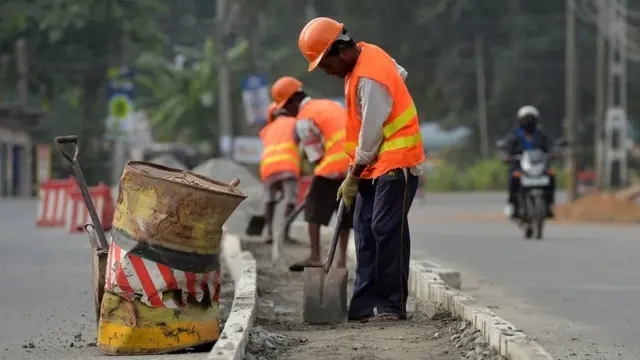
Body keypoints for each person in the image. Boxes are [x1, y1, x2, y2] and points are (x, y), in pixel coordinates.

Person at [298, 17, 425, 322]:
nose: (326, 72)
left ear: (339, 51)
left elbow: (370, 132)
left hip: (396, 160)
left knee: (384, 228)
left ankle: (391, 306)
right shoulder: (366, 59)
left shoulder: (369, 77)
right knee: (365, 232)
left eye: (325, 64)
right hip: (373, 163)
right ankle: (363, 306)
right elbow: (401, 74)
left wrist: (352, 175)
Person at [270, 75, 353, 272]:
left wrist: (312, 188)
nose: (288, 113)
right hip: (354, 165)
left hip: (333, 165)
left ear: (293, 101)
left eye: (286, 108)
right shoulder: (328, 104)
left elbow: (316, 156)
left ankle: (316, 256)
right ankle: (341, 262)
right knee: (345, 213)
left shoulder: (304, 119)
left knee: (312, 209)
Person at [501, 105, 556, 218]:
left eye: (531, 119)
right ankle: (512, 204)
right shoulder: (514, 136)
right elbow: (507, 149)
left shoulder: (541, 135)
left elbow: (551, 146)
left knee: (551, 176)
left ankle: (549, 204)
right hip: (520, 167)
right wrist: (507, 156)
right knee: (513, 177)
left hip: (540, 167)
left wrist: (554, 153)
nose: (528, 122)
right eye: (525, 119)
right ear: (520, 121)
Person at [258, 102, 301, 244]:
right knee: (290, 199)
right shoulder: (294, 123)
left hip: (268, 168)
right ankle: (284, 233)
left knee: (269, 199)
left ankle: (269, 232)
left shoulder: (266, 129)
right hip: (288, 165)